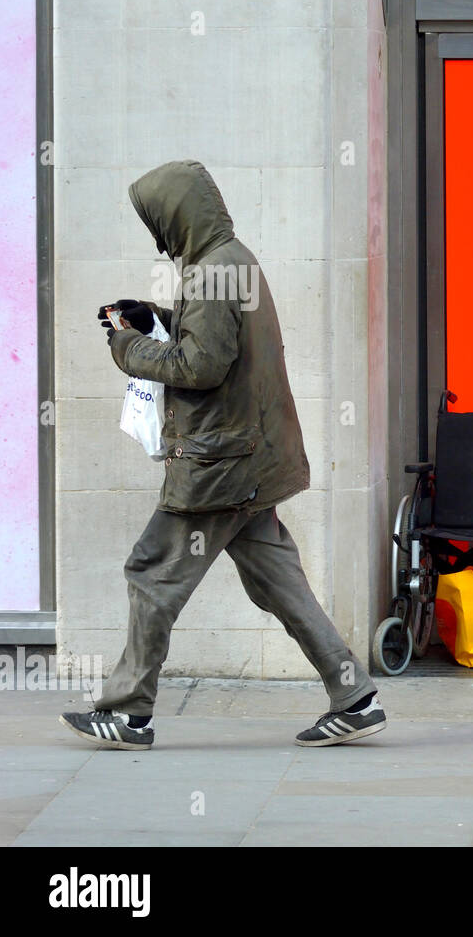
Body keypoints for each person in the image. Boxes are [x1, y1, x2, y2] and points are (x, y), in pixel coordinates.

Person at [60, 159, 385, 750]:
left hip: (219, 467)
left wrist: (127, 344)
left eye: (155, 220)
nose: (155, 235)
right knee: (279, 582)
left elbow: (201, 366)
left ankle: (129, 713)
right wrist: (153, 316)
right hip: (248, 461)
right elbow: (211, 340)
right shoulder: (232, 260)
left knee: (153, 573)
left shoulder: (210, 275)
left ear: (176, 216)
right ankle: (354, 696)